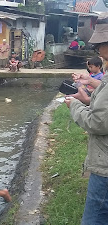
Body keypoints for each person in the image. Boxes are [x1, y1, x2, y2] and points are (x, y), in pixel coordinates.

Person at [64, 17, 108, 224]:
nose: (97, 49)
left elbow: (98, 123)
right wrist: (91, 83)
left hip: (105, 167)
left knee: (95, 218)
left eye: (100, 44)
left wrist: (75, 105)